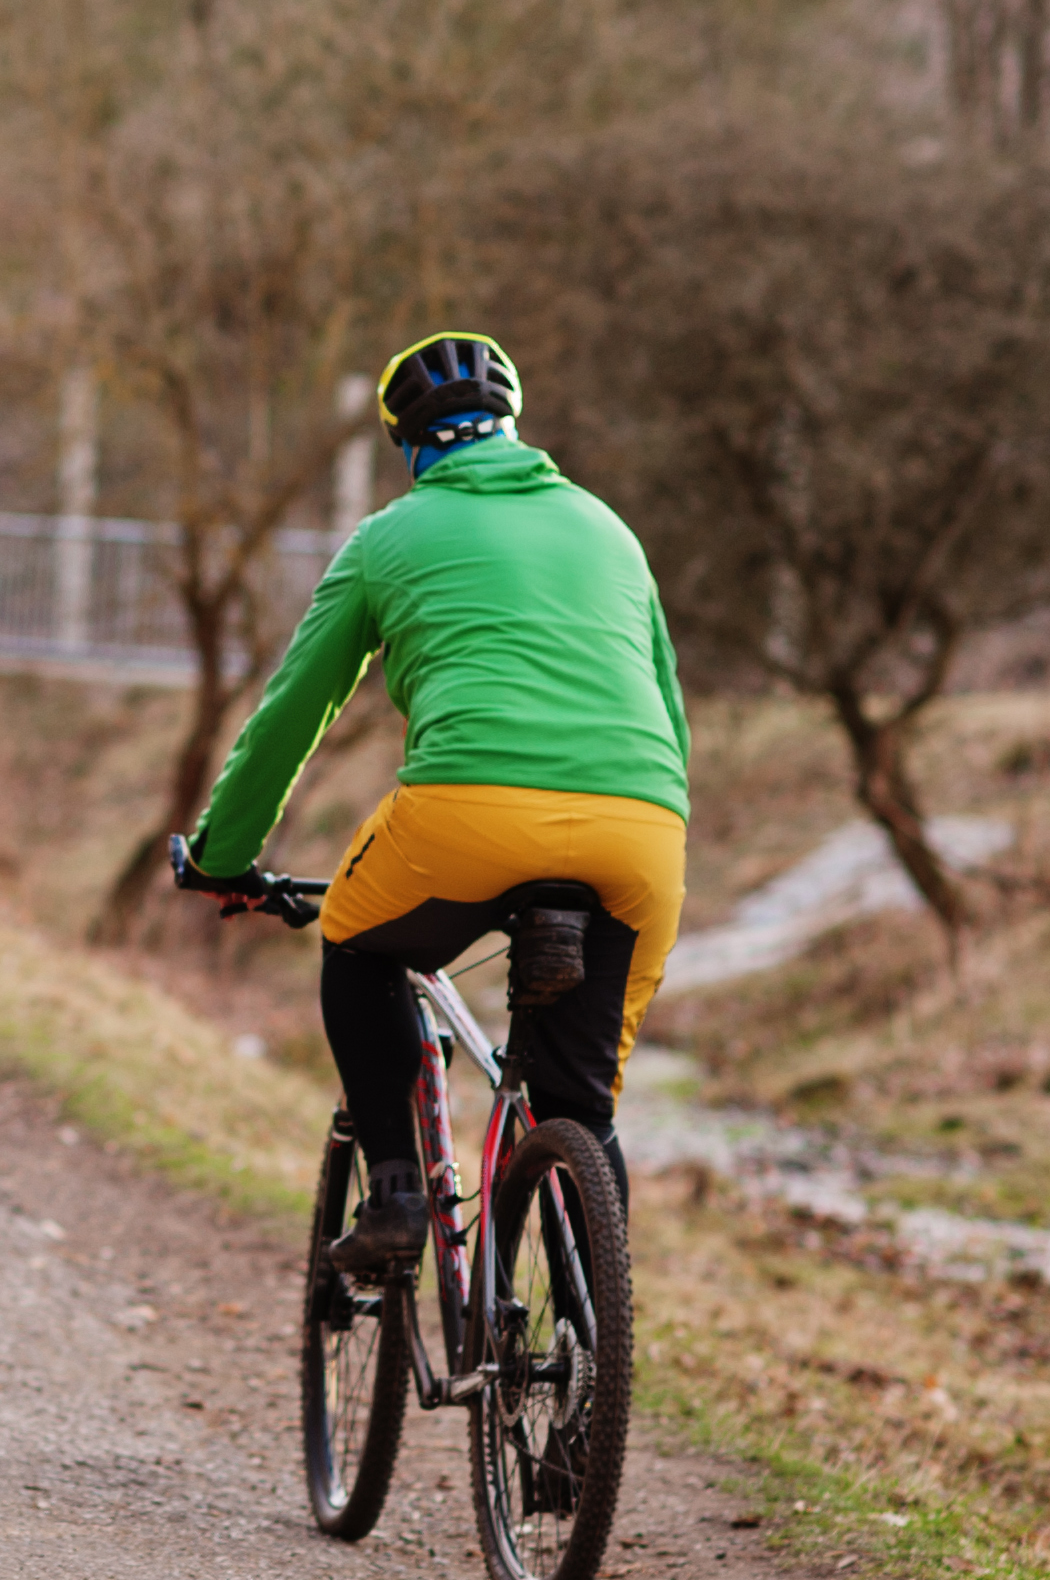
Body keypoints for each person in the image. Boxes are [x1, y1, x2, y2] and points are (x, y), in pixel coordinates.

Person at [173, 332, 686, 1270]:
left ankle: (400, 1197)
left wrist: (221, 857)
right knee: (580, 1101)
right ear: (514, 425)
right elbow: (667, 706)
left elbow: (294, 712)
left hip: (468, 818)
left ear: (408, 445)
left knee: (357, 946)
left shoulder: (389, 537)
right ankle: (588, 1321)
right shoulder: (609, 527)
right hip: (642, 830)